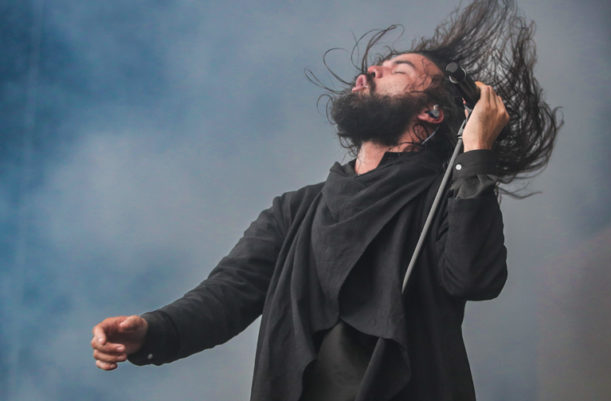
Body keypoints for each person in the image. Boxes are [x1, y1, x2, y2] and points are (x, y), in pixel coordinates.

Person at [90, 1, 559, 400]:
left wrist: (476, 153)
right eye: (379, 64)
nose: (372, 70)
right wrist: (151, 330)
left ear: (431, 112)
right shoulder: (296, 211)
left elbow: (475, 277)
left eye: (399, 69)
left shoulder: (442, 203)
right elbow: (227, 294)